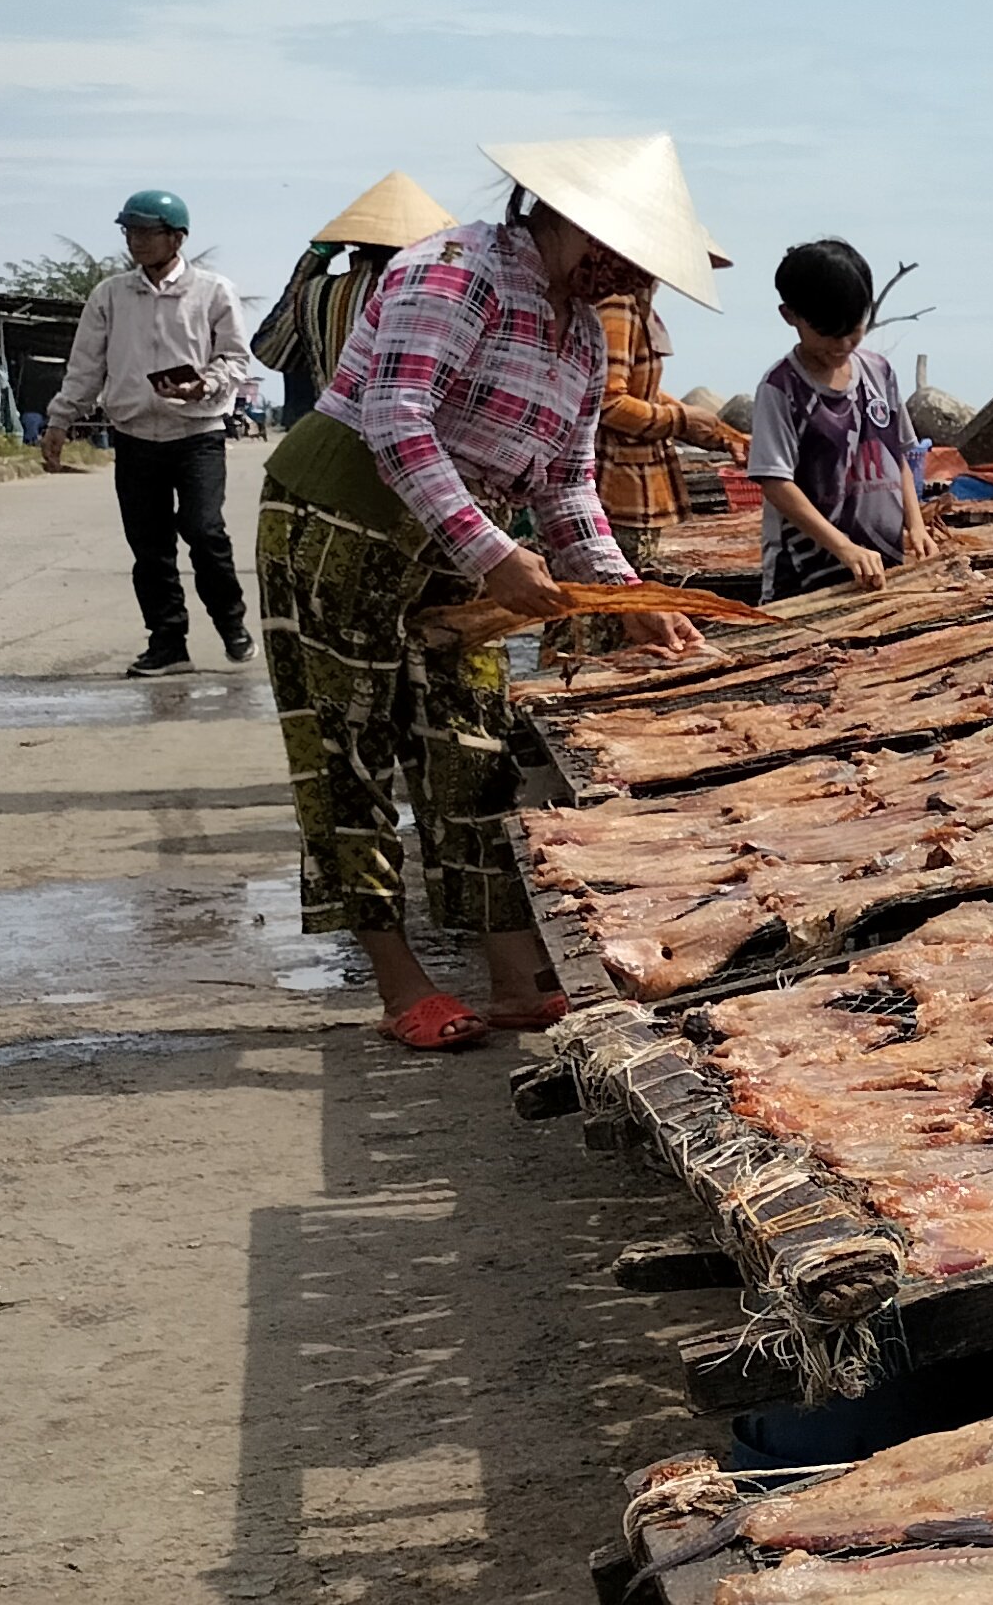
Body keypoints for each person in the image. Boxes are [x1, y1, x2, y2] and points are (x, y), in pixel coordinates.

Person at [255, 133, 720, 1052]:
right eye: (629, 257)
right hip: (340, 519)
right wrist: (491, 549)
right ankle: (400, 980)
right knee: (349, 748)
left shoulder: (581, 335)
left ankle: (513, 969)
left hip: (459, 548)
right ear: (574, 223)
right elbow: (398, 417)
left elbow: (566, 484)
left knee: (472, 749)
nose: (636, 283)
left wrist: (628, 600)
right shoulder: (458, 269)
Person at [44, 188, 255, 677]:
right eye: (129, 232)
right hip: (136, 435)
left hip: (198, 432)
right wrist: (60, 418)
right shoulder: (111, 295)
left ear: (176, 238)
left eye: (145, 232)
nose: (135, 241)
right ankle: (167, 643)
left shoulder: (213, 291)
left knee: (205, 532)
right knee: (150, 547)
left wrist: (207, 383)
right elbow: (85, 366)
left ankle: (231, 623)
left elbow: (236, 357)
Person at [747, 239, 935, 598]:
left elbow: (899, 459)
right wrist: (843, 547)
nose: (842, 345)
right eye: (827, 333)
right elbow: (777, 484)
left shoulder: (880, 373)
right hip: (806, 577)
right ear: (790, 315)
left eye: (853, 330)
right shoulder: (781, 389)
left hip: (883, 564)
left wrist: (916, 524)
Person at [253, 172, 459, 435]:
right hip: (414, 439)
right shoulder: (439, 297)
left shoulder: (316, 292)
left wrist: (313, 259)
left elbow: (269, 351)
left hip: (332, 436)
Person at [594, 278, 748, 577]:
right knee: (611, 600)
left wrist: (719, 434)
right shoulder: (618, 304)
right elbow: (608, 401)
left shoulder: (636, 305)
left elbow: (643, 393)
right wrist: (681, 419)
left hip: (635, 488)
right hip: (617, 489)